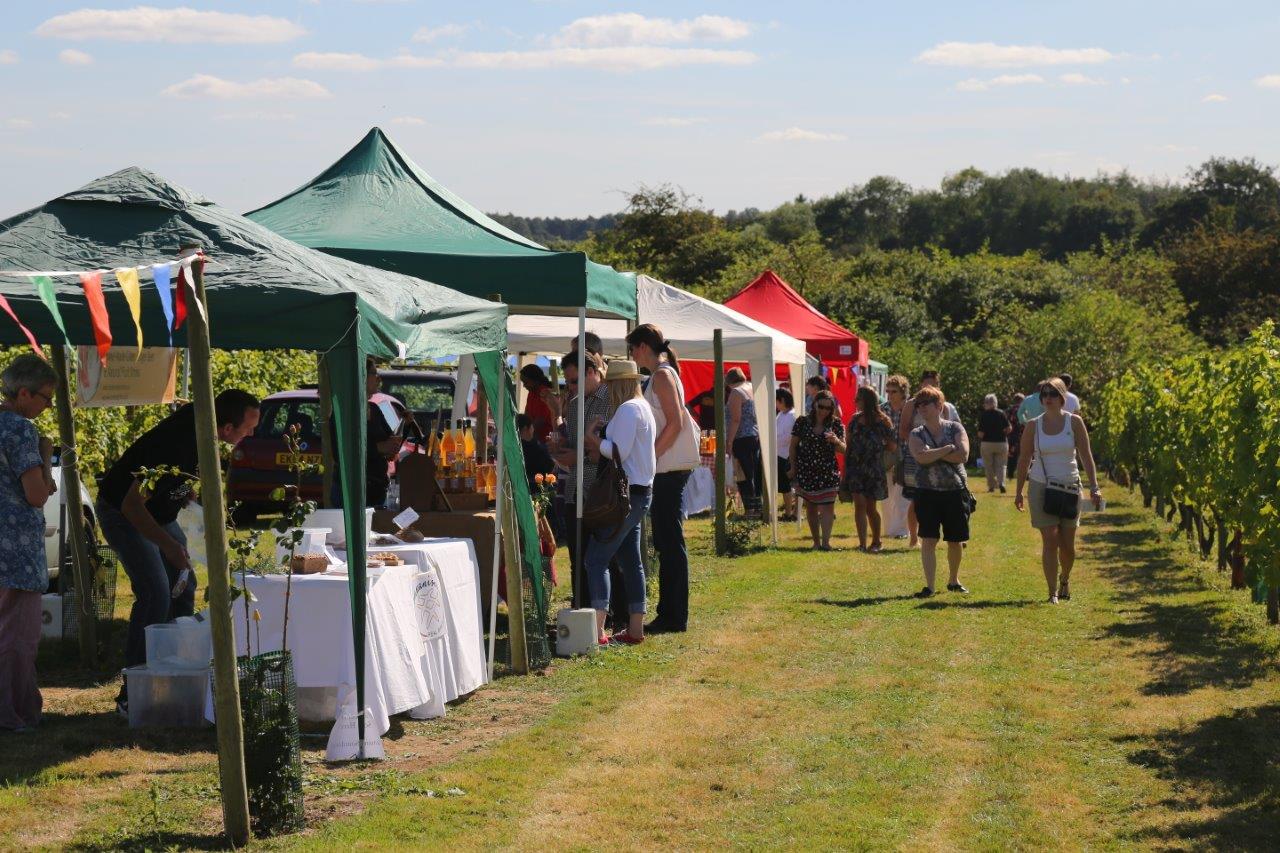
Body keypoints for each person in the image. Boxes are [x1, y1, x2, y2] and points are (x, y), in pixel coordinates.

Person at [97, 389, 260, 714]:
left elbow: (181, 478)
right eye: (248, 427)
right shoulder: (178, 442)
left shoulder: (205, 430)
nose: (252, 433)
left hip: (157, 514)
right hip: (124, 514)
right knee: (156, 591)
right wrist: (169, 545)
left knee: (183, 588)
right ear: (227, 428)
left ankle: (174, 673)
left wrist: (184, 494)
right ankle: (134, 691)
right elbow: (132, 504)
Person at [627, 323, 696, 635]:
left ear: (642, 347)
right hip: (666, 470)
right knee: (668, 543)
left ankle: (673, 615)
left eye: (632, 349)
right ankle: (670, 612)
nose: (631, 356)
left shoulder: (663, 375)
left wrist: (650, 458)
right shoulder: (663, 373)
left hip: (668, 470)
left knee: (670, 543)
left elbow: (676, 422)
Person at [0, 355, 57, 732]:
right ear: (23, 393)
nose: (47, 406)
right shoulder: (20, 430)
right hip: (16, 550)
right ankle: (14, 713)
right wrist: (47, 460)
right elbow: (36, 494)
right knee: (18, 637)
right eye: (44, 398)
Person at [582, 360, 656, 645]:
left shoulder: (627, 409)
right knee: (630, 560)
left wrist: (592, 439)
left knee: (596, 558)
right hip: (639, 493)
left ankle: (598, 629)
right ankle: (635, 628)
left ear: (617, 384)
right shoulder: (642, 407)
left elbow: (617, 452)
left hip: (625, 496)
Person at [553, 351, 626, 627]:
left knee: (610, 558)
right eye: (567, 383)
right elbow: (573, 444)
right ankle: (581, 617)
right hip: (576, 489)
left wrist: (578, 455)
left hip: (603, 491)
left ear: (592, 371)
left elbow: (612, 448)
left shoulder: (612, 400)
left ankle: (615, 618)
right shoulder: (573, 404)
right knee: (578, 557)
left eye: (573, 381)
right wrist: (559, 444)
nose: (570, 388)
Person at [1015, 377, 1103, 604]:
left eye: (1053, 394)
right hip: (1041, 486)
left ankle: (1065, 578)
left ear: (1063, 397)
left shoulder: (1074, 423)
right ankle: (1052, 591)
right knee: (1050, 540)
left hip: (1070, 486)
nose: (1048, 399)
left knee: (1068, 545)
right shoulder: (1033, 425)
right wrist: (1018, 491)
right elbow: (1024, 459)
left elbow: (1086, 456)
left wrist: (1094, 486)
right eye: (1044, 394)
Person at [907, 386, 971, 598]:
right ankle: (930, 586)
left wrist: (932, 453)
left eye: (926, 403)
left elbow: (963, 455)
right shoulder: (916, 433)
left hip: (954, 491)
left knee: (955, 540)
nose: (921, 408)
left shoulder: (955, 428)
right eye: (919, 405)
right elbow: (920, 457)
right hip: (927, 492)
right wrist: (946, 449)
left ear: (939, 406)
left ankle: (954, 579)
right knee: (928, 539)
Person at [898, 370, 960, 548]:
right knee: (916, 497)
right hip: (916, 456)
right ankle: (914, 537)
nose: (928, 387)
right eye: (925, 383)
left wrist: (940, 451)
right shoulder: (911, 404)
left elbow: (952, 429)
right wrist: (918, 447)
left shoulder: (945, 406)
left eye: (932, 384)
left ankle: (952, 536)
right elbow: (903, 429)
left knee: (948, 493)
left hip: (943, 456)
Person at [330, 357, 402, 508]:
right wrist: (379, 448)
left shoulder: (375, 408)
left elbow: (390, 439)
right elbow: (342, 452)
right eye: (374, 373)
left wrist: (393, 446)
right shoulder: (344, 410)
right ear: (361, 376)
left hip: (377, 489)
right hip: (351, 491)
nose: (379, 378)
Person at [842, 386, 897, 553]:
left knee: (870, 508)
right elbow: (848, 445)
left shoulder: (883, 421)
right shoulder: (854, 420)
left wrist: (878, 448)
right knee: (859, 504)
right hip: (855, 468)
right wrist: (845, 469)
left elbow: (892, 446)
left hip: (873, 468)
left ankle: (876, 541)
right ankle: (862, 543)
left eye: (858, 399)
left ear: (867, 400)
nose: (855, 402)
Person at [789, 389, 845, 550]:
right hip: (807, 470)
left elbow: (844, 449)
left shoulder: (836, 424)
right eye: (821, 407)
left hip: (828, 471)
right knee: (811, 506)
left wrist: (836, 441)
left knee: (828, 506)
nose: (824, 411)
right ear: (814, 405)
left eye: (828, 408)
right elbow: (793, 447)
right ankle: (816, 542)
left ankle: (826, 543)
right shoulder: (802, 421)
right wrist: (793, 467)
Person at [724, 367, 764, 516]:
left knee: (743, 475)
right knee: (752, 474)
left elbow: (735, 419)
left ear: (729, 382)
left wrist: (729, 442)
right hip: (754, 436)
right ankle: (757, 507)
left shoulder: (736, 392)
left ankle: (751, 510)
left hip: (741, 438)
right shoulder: (751, 388)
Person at [880, 375, 912, 540]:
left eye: (894, 391)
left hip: (907, 456)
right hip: (886, 456)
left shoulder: (911, 408)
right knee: (886, 496)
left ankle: (900, 530)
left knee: (902, 495)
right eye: (888, 391)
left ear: (903, 392)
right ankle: (889, 529)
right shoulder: (881, 409)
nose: (890, 394)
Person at [977, 393, 1012, 493]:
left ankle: (991, 486)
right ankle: (1001, 483)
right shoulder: (1001, 413)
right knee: (1001, 465)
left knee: (989, 465)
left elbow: (980, 433)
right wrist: (1003, 433)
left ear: (986, 403)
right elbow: (1009, 428)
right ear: (995, 403)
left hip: (987, 443)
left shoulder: (984, 415)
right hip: (1001, 442)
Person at [519, 364, 559, 444]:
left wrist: (523, 435)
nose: (524, 385)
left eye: (526, 382)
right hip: (536, 439)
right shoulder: (531, 393)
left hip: (547, 441)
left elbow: (540, 421)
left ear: (535, 380)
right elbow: (527, 416)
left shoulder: (545, 393)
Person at [775, 388, 798, 521]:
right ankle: (789, 512)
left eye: (777, 401)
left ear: (782, 401)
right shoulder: (781, 414)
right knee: (784, 487)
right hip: (779, 453)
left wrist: (773, 442)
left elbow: (788, 437)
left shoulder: (792, 416)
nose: (776, 405)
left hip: (786, 455)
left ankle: (789, 513)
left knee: (786, 486)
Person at [517, 413, 554, 491]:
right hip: (535, 489)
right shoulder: (533, 447)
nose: (533, 429)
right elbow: (549, 465)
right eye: (532, 426)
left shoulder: (514, 447)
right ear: (525, 428)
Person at [1007, 393, 1026, 479]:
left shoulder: (1009, 410)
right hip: (1021, 434)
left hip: (1011, 435)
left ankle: (1010, 473)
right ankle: (1023, 473)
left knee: (1011, 455)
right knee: (1024, 455)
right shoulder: (1023, 410)